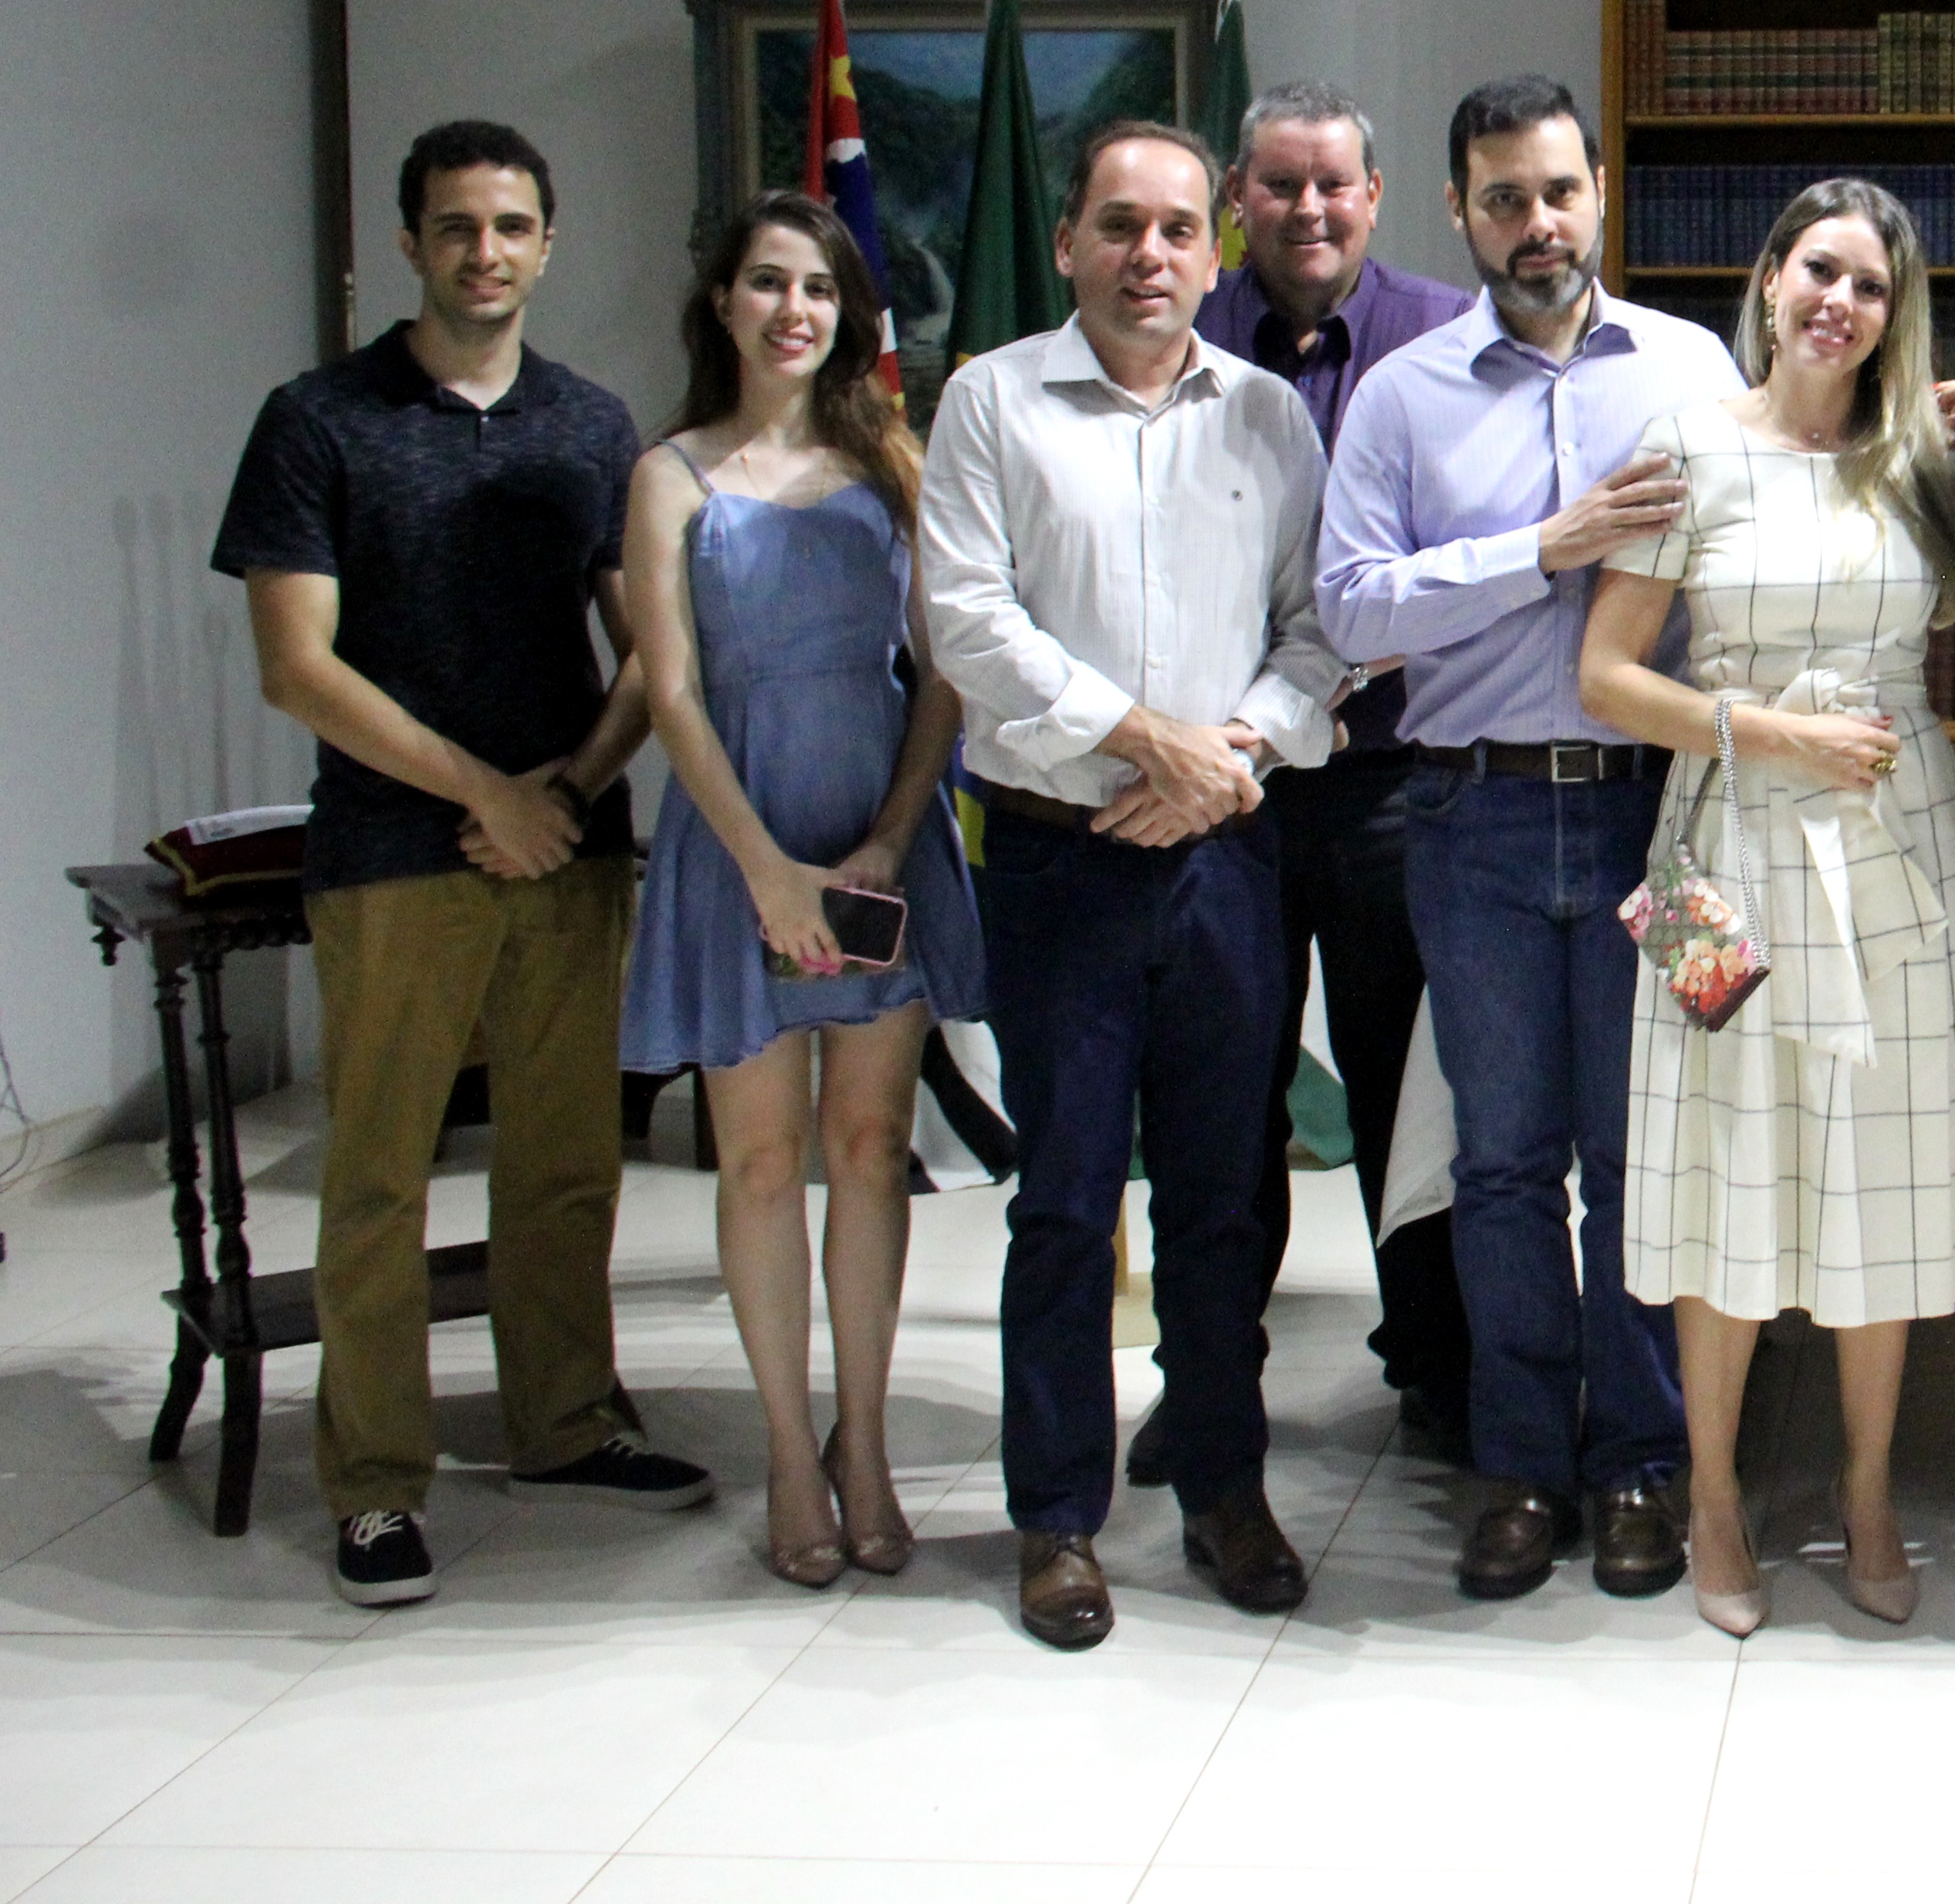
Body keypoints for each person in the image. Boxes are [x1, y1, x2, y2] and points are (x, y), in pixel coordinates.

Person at [215, 118, 712, 1611]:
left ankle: (562, 1423)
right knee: (377, 1177)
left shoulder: (588, 423)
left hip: (565, 847)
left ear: (547, 245)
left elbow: (651, 653)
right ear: (409, 245)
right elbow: (297, 667)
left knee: (566, 1163)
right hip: (391, 850)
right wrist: (480, 793)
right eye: (454, 226)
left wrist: (561, 786)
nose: (483, 251)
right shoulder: (319, 418)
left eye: (509, 226)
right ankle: (373, 1484)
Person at [1316, 75, 1747, 1605]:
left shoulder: (1696, 370)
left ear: (1601, 191)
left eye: (1559, 191)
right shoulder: (1406, 394)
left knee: (1646, 1162)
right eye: (1504, 198)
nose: (1537, 224)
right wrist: (1542, 551)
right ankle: (1518, 1465)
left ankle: (1640, 1459)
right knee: (1501, 1166)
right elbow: (1353, 611)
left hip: (1663, 823)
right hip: (1470, 814)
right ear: (1459, 210)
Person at [919, 119, 1349, 1651]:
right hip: (1061, 857)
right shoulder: (991, 403)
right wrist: (1144, 739)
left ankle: (1223, 1487)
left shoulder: (1270, 421)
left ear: (1216, 247)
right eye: (1119, 225)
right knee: (1066, 1202)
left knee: (1225, 1197)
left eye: (1177, 229)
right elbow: (967, 619)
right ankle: (1056, 1521)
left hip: (1229, 856)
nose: (1149, 255)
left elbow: (1323, 634)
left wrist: (1228, 752)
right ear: (1068, 244)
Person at [1577, 178, 1955, 1635]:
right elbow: (1609, 678)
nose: (1840, 302)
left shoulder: (1918, 460)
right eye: (1817, 271)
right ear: (1769, 283)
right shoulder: (1687, 446)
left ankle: (1868, 1487)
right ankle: (1712, 1495)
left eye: (1872, 286)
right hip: (1718, 852)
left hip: (1894, 847)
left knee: (1878, 1171)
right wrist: (1770, 734)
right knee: (1726, 1170)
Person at [620, 193, 986, 1586]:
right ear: (722, 302)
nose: (794, 310)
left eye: (819, 289)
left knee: (866, 1148)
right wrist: (766, 868)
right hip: (740, 847)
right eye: (767, 283)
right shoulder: (671, 473)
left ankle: (870, 1440)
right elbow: (669, 687)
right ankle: (787, 1449)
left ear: (847, 312)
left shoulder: (890, 457)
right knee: (763, 1162)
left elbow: (941, 668)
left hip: (877, 837)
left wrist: (893, 836)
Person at [1134, 79, 1473, 1491]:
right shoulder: (1178, 344)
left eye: (1333, 184)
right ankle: (1206, 1375)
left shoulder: (1445, 341)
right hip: (1229, 787)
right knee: (1220, 1096)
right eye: (1277, 186)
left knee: (1414, 1095)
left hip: (1396, 780)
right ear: (1236, 205)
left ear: (1376, 195)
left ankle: (1438, 1368)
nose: (1308, 209)